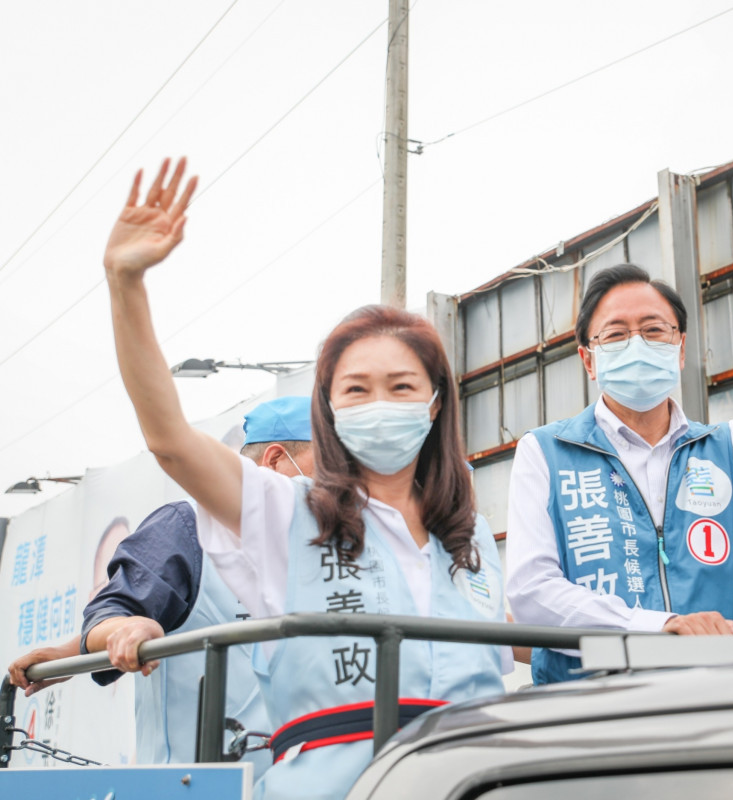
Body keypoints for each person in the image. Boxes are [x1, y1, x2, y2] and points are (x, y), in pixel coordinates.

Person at [100, 158, 507, 800]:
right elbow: (170, 441)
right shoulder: (282, 513)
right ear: (329, 406)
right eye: (357, 389)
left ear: (435, 404)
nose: (380, 403)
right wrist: (126, 284)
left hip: (472, 781)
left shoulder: (473, 538)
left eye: (401, 387)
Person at [507, 184, 733, 684]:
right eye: (615, 334)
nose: (636, 342)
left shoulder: (731, 450)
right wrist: (659, 628)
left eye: (655, 330)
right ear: (588, 359)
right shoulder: (546, 452)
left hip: (708, 704)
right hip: (584, 711)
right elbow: (532, 593)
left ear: (680, 350)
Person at [6, 396, 315, 779]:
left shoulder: (336, 544)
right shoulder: (188, 527)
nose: (345, 485)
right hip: (203, 785)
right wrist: (121, 632)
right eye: (332, 467)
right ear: (274, 460)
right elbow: (122, 609)